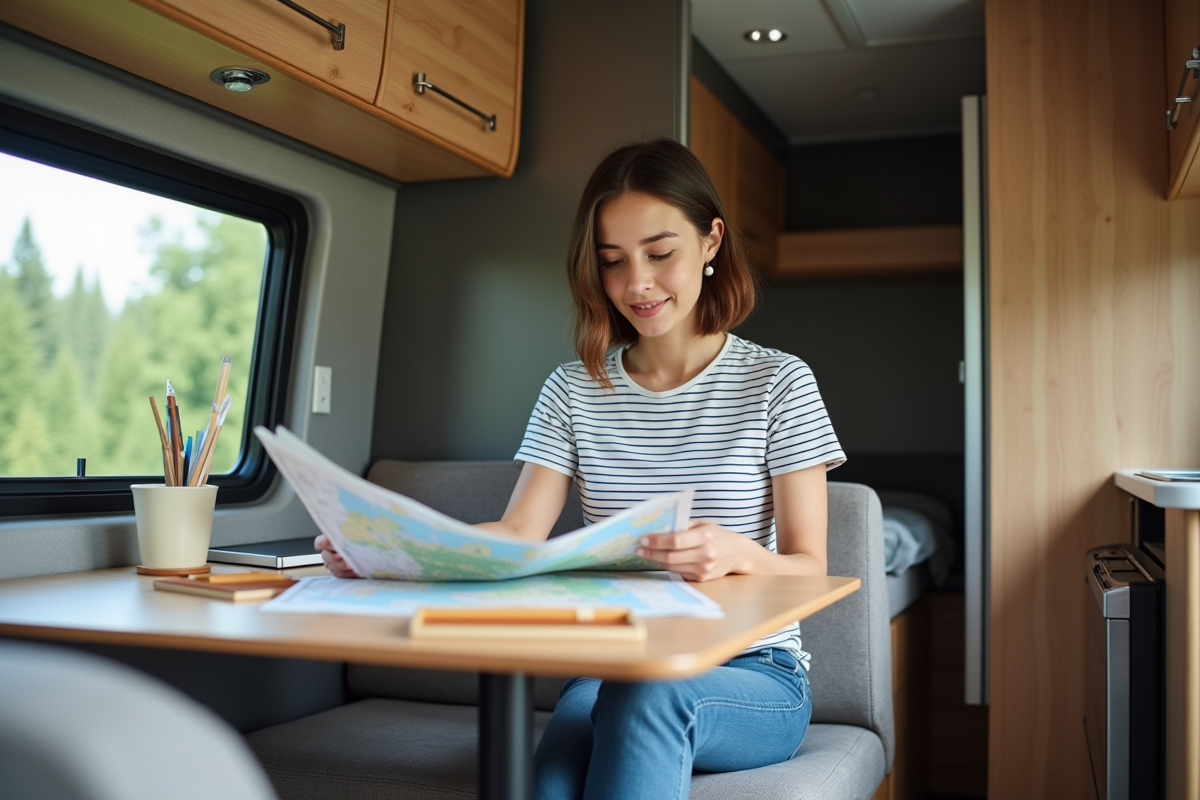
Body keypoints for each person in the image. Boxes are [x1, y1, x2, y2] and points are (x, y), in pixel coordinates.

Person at [316, 138, 845, 800]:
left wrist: (734, 550)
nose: (637, 284)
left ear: (711, 242)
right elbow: (518, 534)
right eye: (613, 262)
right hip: (604, 663)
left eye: (660, 253)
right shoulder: (573, 389)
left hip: (752, 671)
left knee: (645, 702)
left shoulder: (778, 382)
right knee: (553, 778)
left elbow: (810, 566)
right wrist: (388, 552)